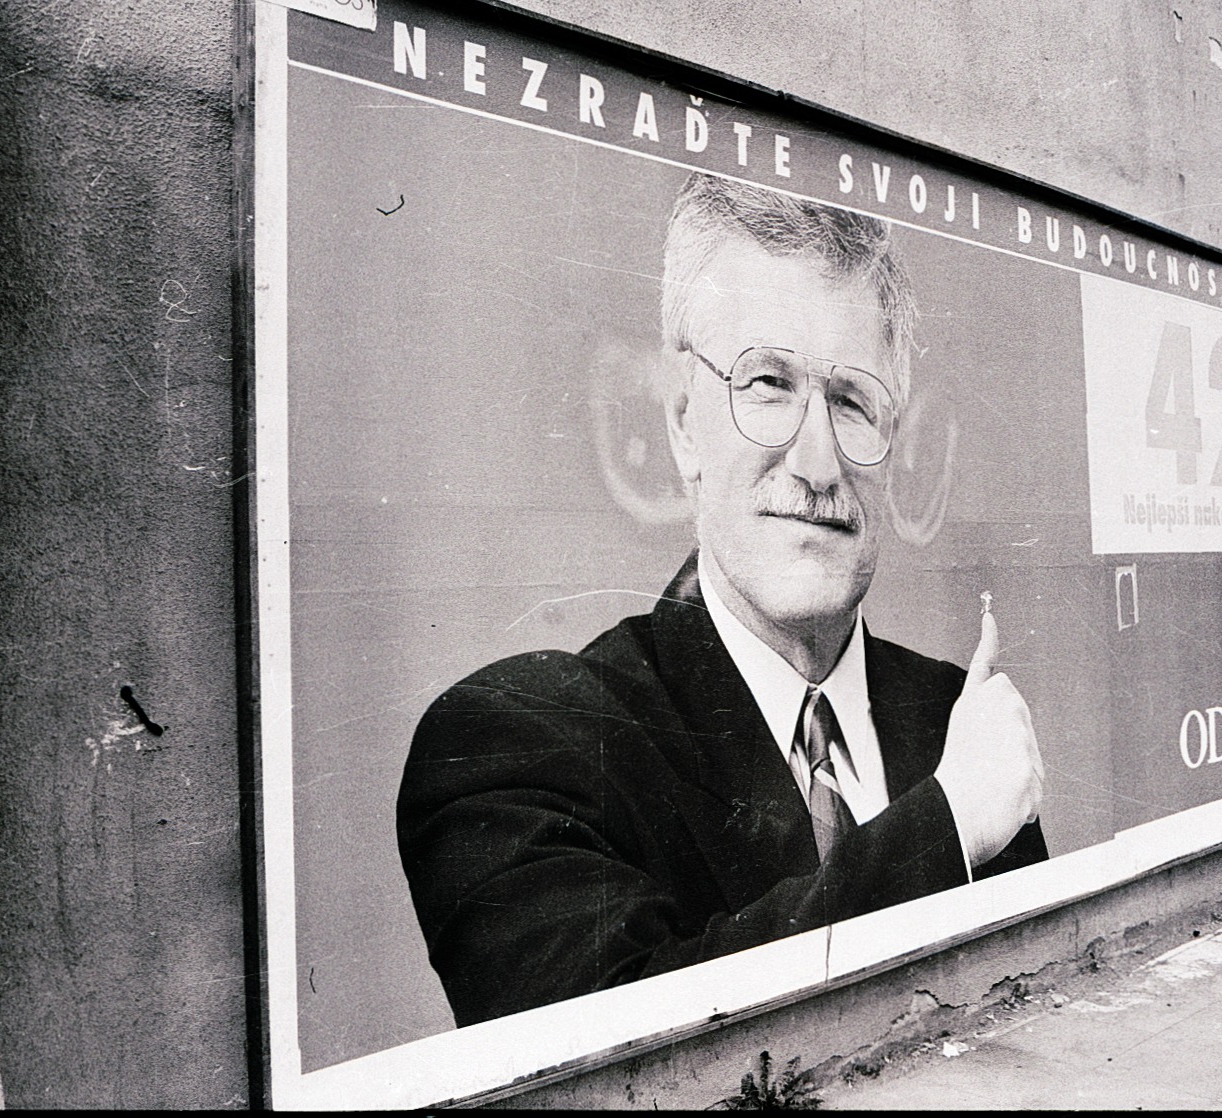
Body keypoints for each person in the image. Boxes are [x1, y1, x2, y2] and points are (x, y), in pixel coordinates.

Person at [398, 173, 1048, 1027]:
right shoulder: (514, 740)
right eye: (767, 384)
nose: (818, 464)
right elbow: (624, 1053)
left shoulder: (954, 722)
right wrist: (945, 827)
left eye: (852, 400)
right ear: (680, 420)